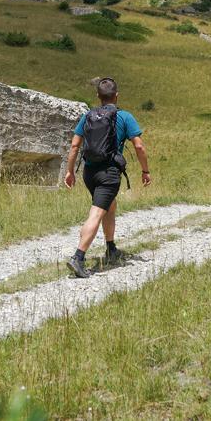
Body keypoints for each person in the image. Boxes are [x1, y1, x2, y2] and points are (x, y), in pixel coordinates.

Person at [64, 77, 151, 278]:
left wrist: (70, 172)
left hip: (89, 172)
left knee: (109, 205)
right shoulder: (125, 117)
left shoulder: (88, 116)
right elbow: (138, 146)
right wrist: (145, 171)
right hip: (109, 174)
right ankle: (78, 257)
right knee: (96, 213)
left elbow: (75, 146)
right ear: (116, 96)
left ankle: (111, 248)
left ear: (98, 96)